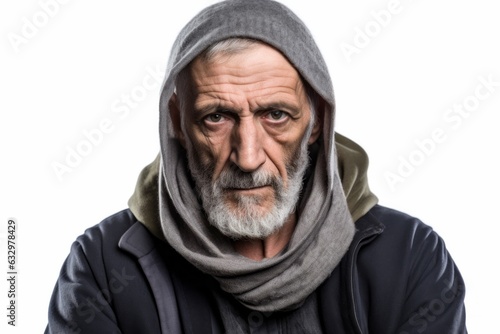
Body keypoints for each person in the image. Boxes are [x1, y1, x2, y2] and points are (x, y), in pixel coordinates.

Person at [45, 0, 467, 333]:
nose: (248, 158)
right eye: (216, 117)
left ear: (317, 119)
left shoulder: (410, 255)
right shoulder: (102, 267)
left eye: (276, 115)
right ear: (175, 122)